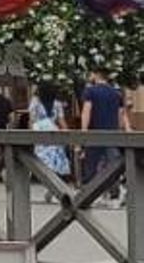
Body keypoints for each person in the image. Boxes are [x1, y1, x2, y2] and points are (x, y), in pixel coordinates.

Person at [80, 69, 131, 199]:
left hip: (94, 133)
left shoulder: (90, 91)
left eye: (91, 73)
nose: (90, 76)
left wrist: (83, 131)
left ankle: (88, 196)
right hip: (112, 133)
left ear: (97, 75)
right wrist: (121, 129)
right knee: (112, 166)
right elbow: (121, 114)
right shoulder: (116, 93)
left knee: (91, 165)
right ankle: (114, 193)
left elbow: (87, 111)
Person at [30, 84, 71, 200]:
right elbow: (61, 120)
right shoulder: (57, 104)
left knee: (42, 164)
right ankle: (52, 190)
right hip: (53, 133)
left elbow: (32, 119)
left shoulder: (35, 103)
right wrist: (68, 134)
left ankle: (50, 188)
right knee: (54, 164)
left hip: (40, 134)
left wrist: (30, 134)